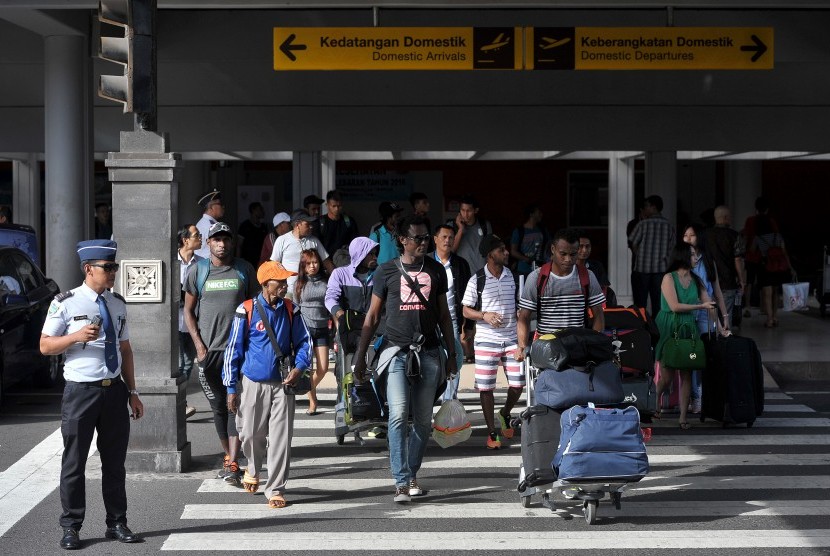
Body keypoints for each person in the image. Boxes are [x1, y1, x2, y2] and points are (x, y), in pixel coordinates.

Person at [40, 240, 144, 550]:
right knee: (74, 463)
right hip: (81, 392)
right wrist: (74, 336)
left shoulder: (117, 303)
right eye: (107, 268)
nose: (113, 272)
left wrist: (133, 391)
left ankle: (117, 522)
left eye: (114, 267)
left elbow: (124, 349)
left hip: (114, 392)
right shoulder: (66, 302)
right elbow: (45, 346)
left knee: (115, 463)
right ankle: (71, 526)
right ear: (89, 269)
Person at [353, 215, 458, 504]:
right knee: (399, 415)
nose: (424, 242)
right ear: (403, 240)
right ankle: (401, 482)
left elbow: (444, 316)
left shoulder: (436, 270)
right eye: (418, 238)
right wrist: (360, 358)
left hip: (430, 352)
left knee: (423, 421)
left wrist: (453, 355)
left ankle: (411, 474)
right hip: (396, 352)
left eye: (426, 238)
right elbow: (372, 317)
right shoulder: (386, 271)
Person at [224, 261, 312, 509]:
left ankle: (275, 489)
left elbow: (305, 342)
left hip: (284, 384)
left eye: (286, 281)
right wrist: (231, 387)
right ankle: (252, 467)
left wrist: (299, 367)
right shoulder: (246, 309)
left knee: (281, 439)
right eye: (280, 282)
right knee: (250, 434)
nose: (285, 286)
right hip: (252, 382)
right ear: (265, 284)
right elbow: (233, 350)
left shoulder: (291, 309)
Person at [184, 222, 258, 485]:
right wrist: (199, 345)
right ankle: (229, 457)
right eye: (217, 239)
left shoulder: (244, 269)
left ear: (232, 242)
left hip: (238, 351)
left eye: (226, 239)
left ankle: (235, 461)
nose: (222, 244)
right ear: (208, 243)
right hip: (209, 353)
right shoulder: (198, 271)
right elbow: (188, 311)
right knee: (217, 407)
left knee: (234, 406)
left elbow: (254, 307)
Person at [462, 234, 522, 450]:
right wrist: (484, 315)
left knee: (518, 383)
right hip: (486, 340)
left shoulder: (514, 277)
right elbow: (466, 310)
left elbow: (522, 306)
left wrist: (520, 313)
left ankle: (504, 413)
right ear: (489, 255)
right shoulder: (476, 280)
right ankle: (491, 432)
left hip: (512, 339)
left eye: (505, 249)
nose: (506, 253)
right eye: (501, 250)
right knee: (486, 388)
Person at [653, 244, 718, 430]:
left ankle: (683, 418)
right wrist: (701, 307)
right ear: (682, 256)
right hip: (668, 325)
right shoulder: (668, 278)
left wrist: (720, 326)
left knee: (687, 373)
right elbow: (674, 306)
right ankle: (653, 400)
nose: (696, 257)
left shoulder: (696, 280)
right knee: (667, 376)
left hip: (688, 328)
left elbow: (709, 303)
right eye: (692, 254)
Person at [683, 223, 729, 414]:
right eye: (685, 235)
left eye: (691, 235)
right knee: (692, 356)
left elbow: (716, 292)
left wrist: (724, 317)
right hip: (688, 312)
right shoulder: (683, 261)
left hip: (706, 313)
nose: (687, 239)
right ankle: (695, 396)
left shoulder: (709, 261)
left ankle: (703, 394)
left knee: (705, 355)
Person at [429, 224, 470, 402]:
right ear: (435, 239)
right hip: (428, 319)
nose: (448, 241)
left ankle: (449, 401)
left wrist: (468, 325)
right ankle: (429, 398)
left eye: (451, 237)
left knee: (454, 357)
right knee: (429, 358)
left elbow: (469, 296)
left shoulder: (460, 264)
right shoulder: (426, 261)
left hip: (452, 318)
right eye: (444, 237)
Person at [325, 236, 380, 354]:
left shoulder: (380, 274)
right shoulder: (340, 274)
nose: (375, 257)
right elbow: (330, 299)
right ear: (360, 254)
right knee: (349, 370)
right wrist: (343, 317)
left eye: (375, 254)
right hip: (350, 331)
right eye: (371, 254)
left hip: (376, 330)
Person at [294, 249, 330, 415]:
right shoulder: (299, 282)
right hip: (305, 329)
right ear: (303, 265)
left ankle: (306, 387)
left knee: (323, 368)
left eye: (315, 262)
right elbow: (295, 307)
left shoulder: (327, 281)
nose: (312, 266)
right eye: (308, 263)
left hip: (322, 328)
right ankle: (312, 402)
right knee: (307, 368)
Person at [628, 195, 675, 316]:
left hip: (642, 269)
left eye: (646, 206)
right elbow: (672, 247)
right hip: (661, 270)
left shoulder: (643, 224)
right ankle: (658, 329)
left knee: (640, 303)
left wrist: (639, 255)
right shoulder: (668, 225)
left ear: (653, 207)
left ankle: (642, 329)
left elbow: (633, 242)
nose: (644, 208)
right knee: (658, 303)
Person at [270, 209, 334, 295]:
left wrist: (337, 280)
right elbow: (274, 265)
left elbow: (327, 263)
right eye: (307, 224)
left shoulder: (314, 241)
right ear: (297, 225)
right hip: (289, 291)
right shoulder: (282, 240)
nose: (311, 227)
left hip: (312, 292)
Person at [748, 214, 796, 328]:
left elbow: (752, 250)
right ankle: (775, 316)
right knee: (775, 293)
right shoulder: (777, 236)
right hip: (778, 268)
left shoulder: (758, 237)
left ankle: (769, 319)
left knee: (767, 294)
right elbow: (784, 252)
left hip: (765, 267)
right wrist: (790, 267)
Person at [177, 224, 203, 419]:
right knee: (183, 363)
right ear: (186, 240)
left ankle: (179, 404)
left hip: (193, 320)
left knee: (186, 364)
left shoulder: (201, 263)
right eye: (196, 235)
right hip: (173, 321)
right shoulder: (172, 262)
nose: (200, 238)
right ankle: (180, 405)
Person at [705, 206, 746, 326]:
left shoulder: (705, 235)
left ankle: (711, 341)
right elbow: (738, 259)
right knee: (726, 316)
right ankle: (724, 341)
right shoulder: (734, 235)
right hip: (728, 282)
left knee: (709, 317)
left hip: (708, 281)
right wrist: (742, 280)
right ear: (726, 218)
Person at [741, 196, 779, 318]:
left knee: (749, 282)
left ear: (756, 208)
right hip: (766, 257)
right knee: (765, 284)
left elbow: (746, 237)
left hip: (751, 256)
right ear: (767, 209)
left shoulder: (750, 220)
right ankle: (764, 308)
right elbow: (776, 238)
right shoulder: (771, 221)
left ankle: (747, 307)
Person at [451, 194, 492, 275]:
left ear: (475, 210)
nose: (465, 214)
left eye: (469, 211)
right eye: (463, 210)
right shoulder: (452, 227)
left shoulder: (485, 226)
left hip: (482, 274)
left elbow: (490, 250)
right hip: (462, 274)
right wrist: (460, 229)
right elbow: (451, 250)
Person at [510, 203, 549, 279]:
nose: (541, 215)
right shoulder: (519, 231)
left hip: (541, 269)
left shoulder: (543, 230)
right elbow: (513, 251)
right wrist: (527, 260)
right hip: (523, 270)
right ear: (531, 214)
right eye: (538, 212)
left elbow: (549, 247)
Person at [318, 190, 359, 256]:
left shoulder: (349, 222)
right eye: (334, 206)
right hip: (325, 263)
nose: (337, 209)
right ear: (327, 205)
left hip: (345, 262)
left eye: (339, 206)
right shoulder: (320, 222)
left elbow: (355, 244)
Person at [369, 201, 405, 265]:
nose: (399, 218)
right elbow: (369, 257)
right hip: (382, 273)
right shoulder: (376, 236)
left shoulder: (402, 233)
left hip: (399, 271)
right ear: (388, 218)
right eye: (397, 216)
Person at [236, 201, 268, 269]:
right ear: (254, 210)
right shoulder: (245, 226)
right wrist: (237, 262)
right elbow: (239, 245)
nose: (263, 211)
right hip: (247, 262)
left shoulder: (264, 227)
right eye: (260, 209)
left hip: (262, 262)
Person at [195, 189, 225, 259]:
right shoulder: (210, 226)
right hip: (208, 265)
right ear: (211, 207)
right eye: (220, 204)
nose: (223, 207)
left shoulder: (204, 222)